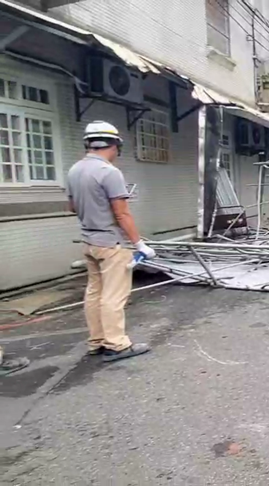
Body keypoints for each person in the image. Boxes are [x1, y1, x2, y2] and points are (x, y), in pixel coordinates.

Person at [67, 121, 154, 363]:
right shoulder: (109, 172)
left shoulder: (74, 170)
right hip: (111, 243)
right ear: (115, 145)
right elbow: (122, 213)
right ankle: (116, 345)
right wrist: (139, 244)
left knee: (94, 292)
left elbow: (72, 206)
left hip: (89, 241)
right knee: (114, 296)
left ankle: (96, 341)